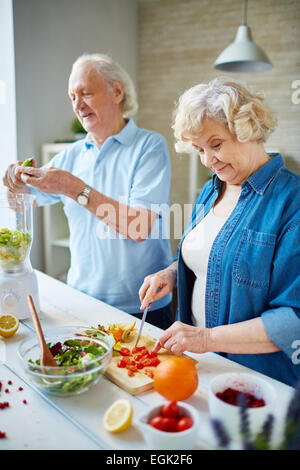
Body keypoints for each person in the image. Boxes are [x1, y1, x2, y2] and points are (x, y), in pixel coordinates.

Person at [139, 78, 300, 386]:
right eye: (199, 149)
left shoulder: (292, 203)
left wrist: (205, 338)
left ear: (249, 128)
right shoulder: (211, 190)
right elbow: (207, 258)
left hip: (257, 381)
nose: (207, 161)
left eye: (215, 144)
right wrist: (171, 275)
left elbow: (293, 321)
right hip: (199, 366)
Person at [3, 53, 173, 330]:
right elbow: (20, 203)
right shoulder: (70, 156)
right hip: (83, 303)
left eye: (85, 93)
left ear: (116, 92)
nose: (78, 105)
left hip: (143, 307)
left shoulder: (149, 146)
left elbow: (139, 227)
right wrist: (14, 182)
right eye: (72, 97)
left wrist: (73, 188)